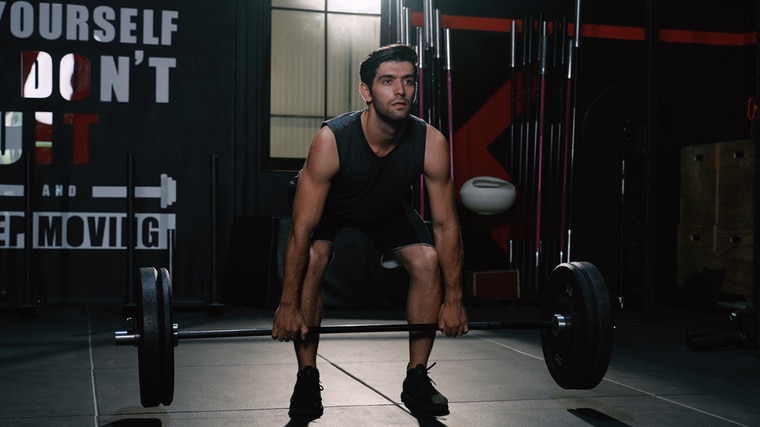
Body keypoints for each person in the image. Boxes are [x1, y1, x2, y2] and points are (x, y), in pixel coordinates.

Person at [271, 44, 469, 421]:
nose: (400, 91)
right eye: (388, 81)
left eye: (408, 81)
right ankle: (307, 377)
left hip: (384, 204)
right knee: (315, 255)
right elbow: (302, 227)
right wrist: (287, 304)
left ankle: (416, 380)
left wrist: (454, 299)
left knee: (427, 261)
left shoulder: (431, 143)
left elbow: (445, 225)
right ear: (367, 91)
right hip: (331, 205)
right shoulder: (332, 140)